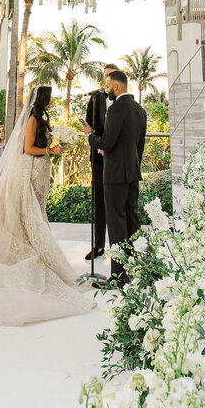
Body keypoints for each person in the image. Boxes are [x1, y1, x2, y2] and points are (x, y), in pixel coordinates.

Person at [0, 86, 93, 325]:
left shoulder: (42, 118)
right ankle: (36, 251)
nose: (51, 101)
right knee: (31, 216)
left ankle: (36, 246)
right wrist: (50, 149)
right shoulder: (32, 119)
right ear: (44, 100)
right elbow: (28, 149)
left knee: (36, 214)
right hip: (29, 172)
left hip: (39, 171)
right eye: (49, 98)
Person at [82, 70, 147, 283]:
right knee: (132, 221)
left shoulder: (117, 108)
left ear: (116, 87)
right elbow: (139, 146)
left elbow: (107, 143)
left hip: (114, 175)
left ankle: (119, 276)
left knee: (116, 224)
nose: (107, 91)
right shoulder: (140, 110)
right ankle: (138, 268)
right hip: (132, 173)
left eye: (108, 87)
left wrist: (91, 136)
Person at [83, 64, 121, 261]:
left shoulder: (123, 101)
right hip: (98, 158)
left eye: (110, 76)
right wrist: (96, 142)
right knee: (98, 202)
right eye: (105, 75)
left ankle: (119, 247)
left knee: (115, 203)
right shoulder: (95, 98)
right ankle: (98, 245)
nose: (106, 79)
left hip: (117, 158)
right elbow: (89, 124)